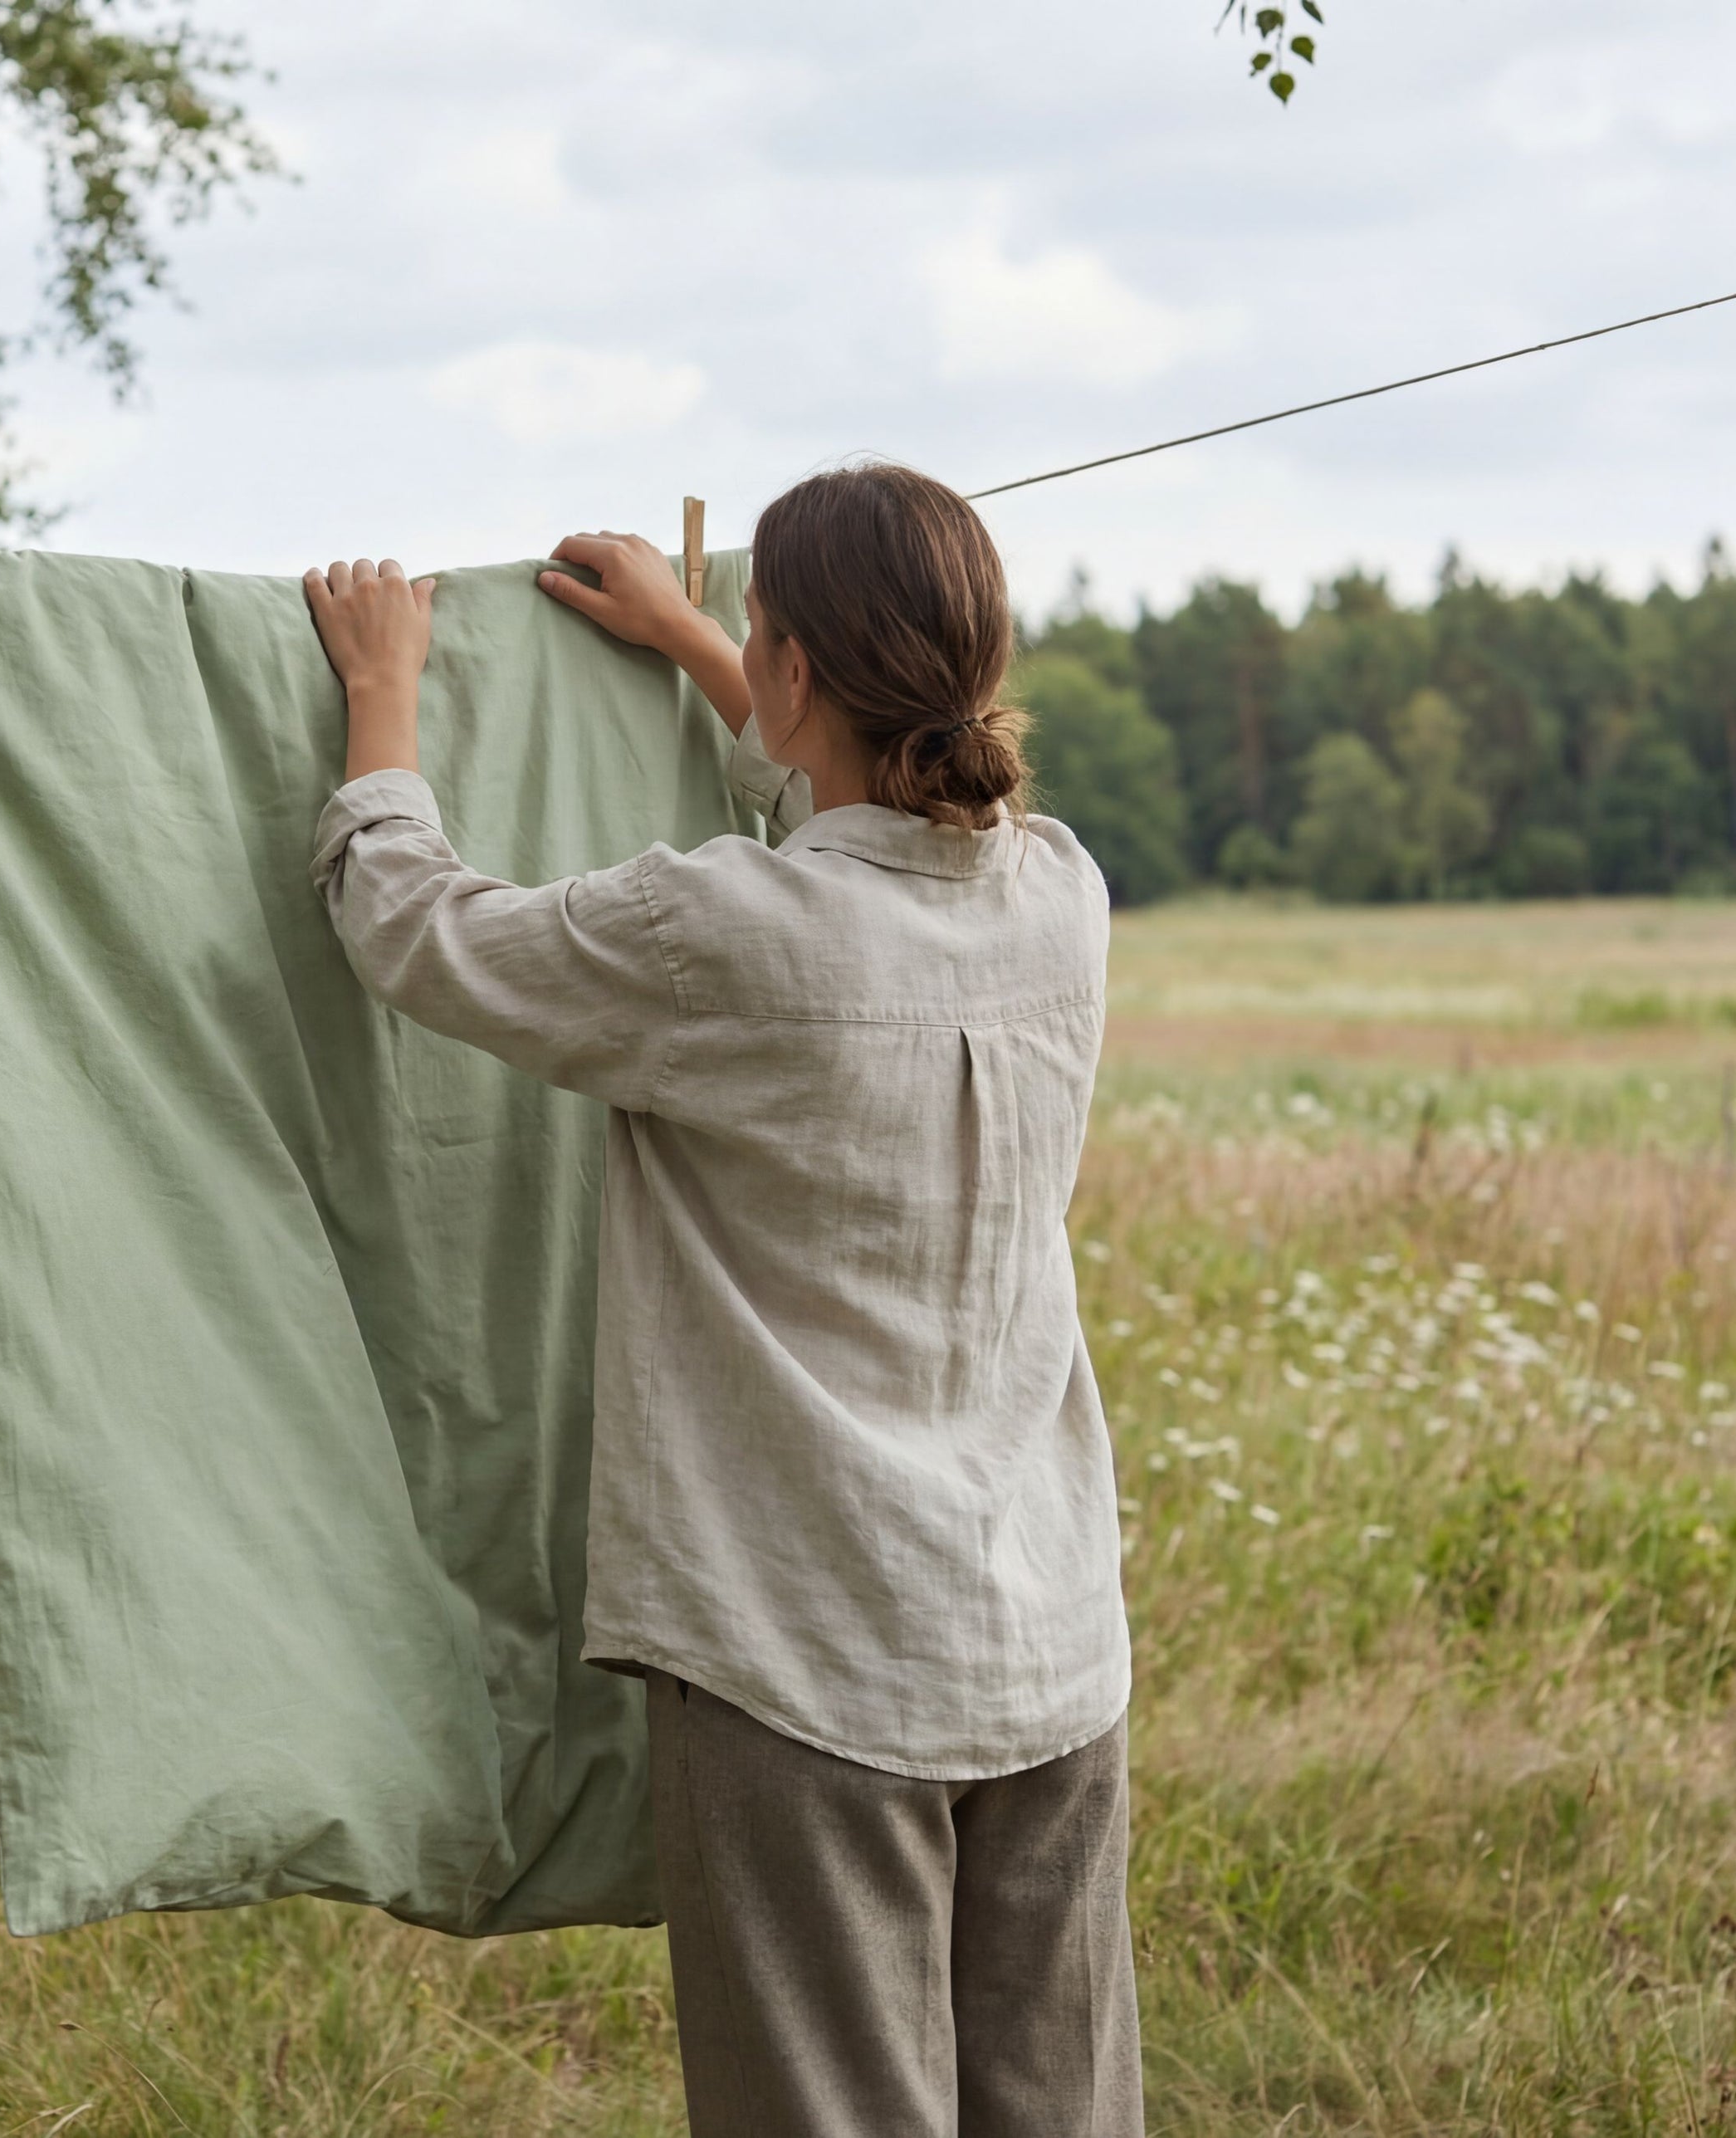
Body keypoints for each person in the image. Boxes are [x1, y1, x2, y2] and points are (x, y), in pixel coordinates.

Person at [301, 461, 1138, 2138]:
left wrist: (383, 698)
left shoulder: (721, 932)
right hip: (1049, 1647)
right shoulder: (1062, 892)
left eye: (764, 638)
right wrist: (703, 637)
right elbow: (867, 843)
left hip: (813, 1657)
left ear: (805, 669)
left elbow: (416, 930)